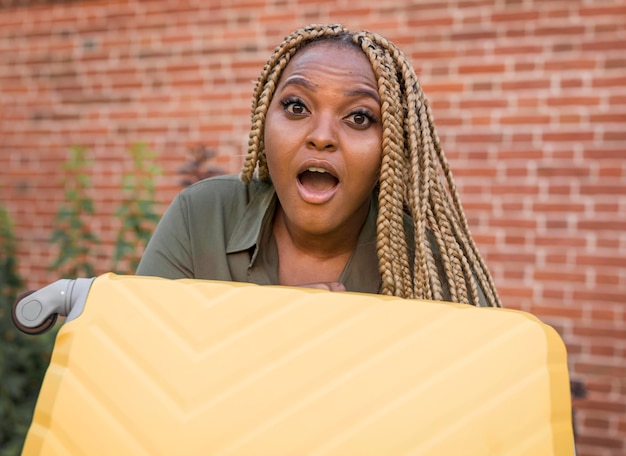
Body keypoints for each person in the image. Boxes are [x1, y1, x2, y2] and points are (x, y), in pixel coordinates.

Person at [136, 23, 501, 307]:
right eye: (297, 107)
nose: (321, 136)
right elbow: (140, 362)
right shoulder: (201, 217)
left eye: (359, 117)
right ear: (264, 121)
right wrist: (274, 324)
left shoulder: (430, 267)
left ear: (391, 150)